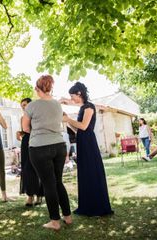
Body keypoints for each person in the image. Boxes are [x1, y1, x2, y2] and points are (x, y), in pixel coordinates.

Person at [22, 75, 72, 230]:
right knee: (57, 182)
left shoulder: (32, 106)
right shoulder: (57, 105)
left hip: (40, 148)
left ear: (38, 89)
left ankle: (55, 222)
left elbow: (25, 128)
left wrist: (37, 130)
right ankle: (68, 217)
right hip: (59, 146)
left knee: (49, 184)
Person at [61, 82, 114, 217]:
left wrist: (68, 119)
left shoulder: (89, 107)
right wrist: (68, 121)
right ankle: (87, 205)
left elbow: (84, 126)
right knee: (85, 173)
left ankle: (97, 207)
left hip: (89, 143)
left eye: (73, 96)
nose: (72, 99)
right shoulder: (82, 108)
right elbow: (78, 130)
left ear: (79, 93)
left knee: (92, 172)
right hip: (82, 141)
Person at [17, 97, 44, 207]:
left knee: (37, 168)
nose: (23, 107)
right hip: (26, 143)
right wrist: (19, 133)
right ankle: (30, 195)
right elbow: (24, 132)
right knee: (27, 168)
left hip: (37, 142)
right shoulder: (22, 118)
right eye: (22, 105)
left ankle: (39, 195)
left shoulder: (37, 116)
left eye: (25, 104)